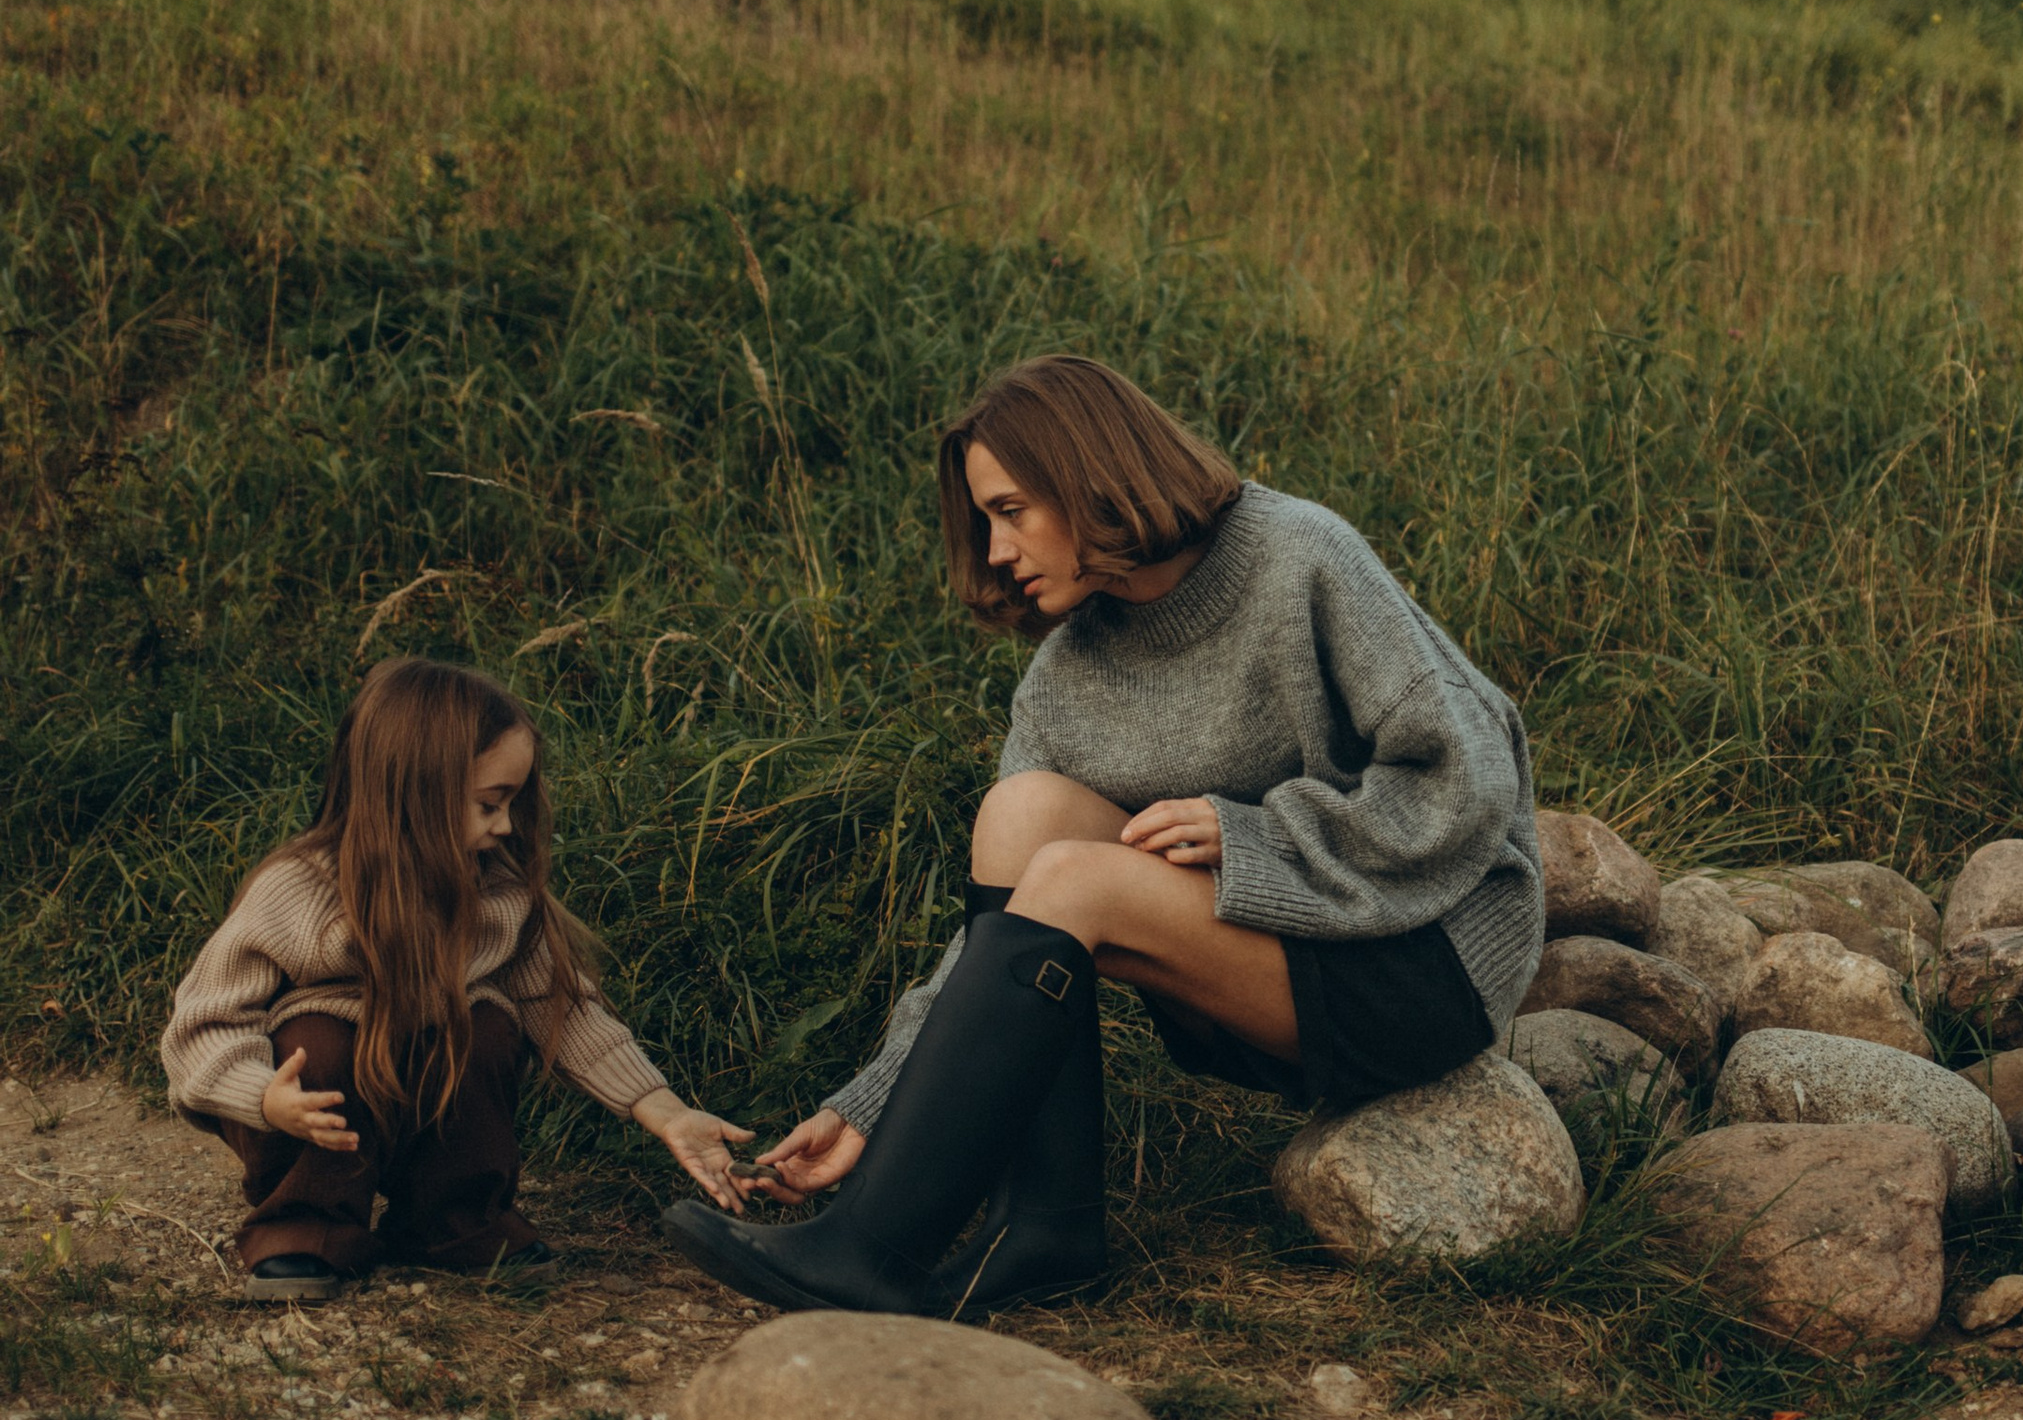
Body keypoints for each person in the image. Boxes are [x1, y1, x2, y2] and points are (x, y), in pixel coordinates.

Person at [663, 353, 1543, 1319]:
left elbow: (1466, 776)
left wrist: (1261, 839)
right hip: (1267, 975)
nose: (996, 551)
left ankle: (873, 1248)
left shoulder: (1300, 556)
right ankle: (1041, 1229)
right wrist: (872, 1101)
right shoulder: (1066, 674)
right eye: (984, 521)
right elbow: (1001, 933)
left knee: (1080, 878)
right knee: (1024, 816)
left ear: (1090, 477)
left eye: (1011, 511)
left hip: (1424, 965)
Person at [162, 658, 751, 1284]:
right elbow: (204, 1021)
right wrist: (262, 1096)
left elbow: (564, 1009)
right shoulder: (300, 891)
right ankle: (306, 1225)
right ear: (414, 793)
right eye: (489, 804)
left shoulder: (498, 896)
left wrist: (666, 1111)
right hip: (312, 1106)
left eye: (514, 803)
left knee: (488, 1023)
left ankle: (453, 1223)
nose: (504, 826)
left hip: (425, 1088)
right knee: (320, 1039)